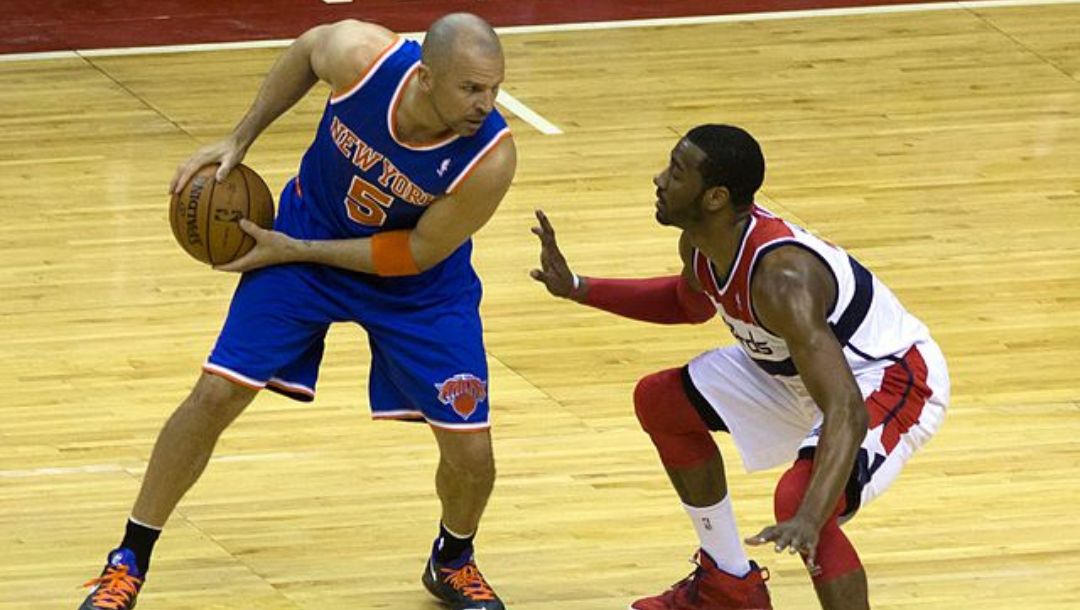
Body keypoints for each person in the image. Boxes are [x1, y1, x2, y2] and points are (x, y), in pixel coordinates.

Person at [78, 13, 515, 610]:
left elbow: (415, 251)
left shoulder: (490, 158)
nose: (485, 104)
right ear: (425, 75)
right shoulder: (363, 59)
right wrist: (241, 137)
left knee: (471, 452)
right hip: (309, 234)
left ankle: (453, 559)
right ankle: (128, 559)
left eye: (494, 88)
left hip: (417, 285)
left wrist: (296, 249)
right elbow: (309, 48)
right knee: (216, 393)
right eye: (471, 88)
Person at [530, 124, 948, 610]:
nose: (659, 180)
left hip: (887, 379)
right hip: (797, 374)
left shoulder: (783, 279)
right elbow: (686, 305)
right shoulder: (700, 245)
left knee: (801, 499)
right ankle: (728, 586)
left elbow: (847, 410)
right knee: (661, 401)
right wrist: (578, 287)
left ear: (715, 197)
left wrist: (810, 517)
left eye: (676, 173)